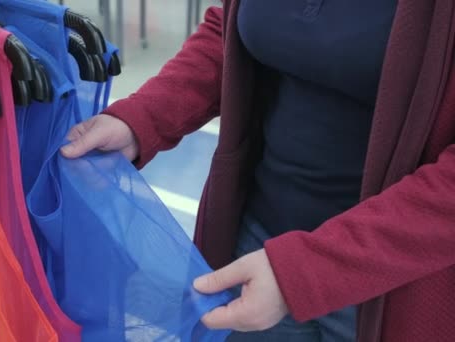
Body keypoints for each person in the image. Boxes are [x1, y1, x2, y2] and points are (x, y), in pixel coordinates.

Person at [61, 0, 455, 341]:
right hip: (253, 250)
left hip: (392, 284)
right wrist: (141, 119)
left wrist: (305, 273)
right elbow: (233, 34)